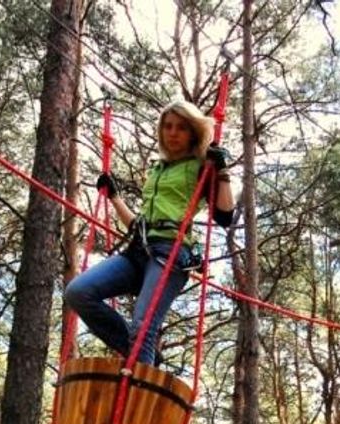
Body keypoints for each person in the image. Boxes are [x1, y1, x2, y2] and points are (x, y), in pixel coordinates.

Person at [63, 100, 236, 367]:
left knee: (142, 327)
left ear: (193, 132)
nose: (173, 132)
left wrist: (222, 169)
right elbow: (138, 225)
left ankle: (139, 385)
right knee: (78, 292)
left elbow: (225, 215)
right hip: (138, 251)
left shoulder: (202, 166)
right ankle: (145, 357)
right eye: (167, 126)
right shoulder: (158, 169)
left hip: (170, 253)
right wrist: (115, 197)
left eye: (181, 127)